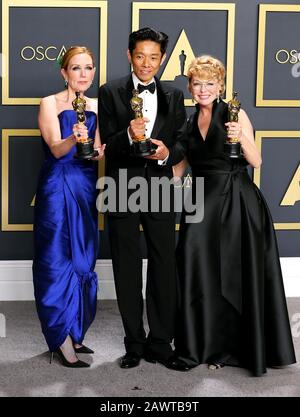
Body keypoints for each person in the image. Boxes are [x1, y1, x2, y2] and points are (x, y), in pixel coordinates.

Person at [173, 55, 296, 376]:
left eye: (210, 84)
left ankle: (233, 349)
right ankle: (201, 346)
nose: (203, 89)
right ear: (189, 86)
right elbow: (177, 171)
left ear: (221, 86)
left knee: (233, 275)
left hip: (236, 202)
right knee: (197, 269)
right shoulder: (187, 122)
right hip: (200, 203)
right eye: (197, 83)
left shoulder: (234, 113)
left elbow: (256, 160)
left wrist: (240, 134)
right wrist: (148, 152)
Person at [98, 27, 189, 371]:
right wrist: (127, 134)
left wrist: (167, 152)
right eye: (140, 56)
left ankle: (161, 342)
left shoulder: (175, 94)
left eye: (153, 57)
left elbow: (182, 141)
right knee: (126, 263)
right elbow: (107, 141)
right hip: (121, 185)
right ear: (129, 55)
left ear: (163, 58)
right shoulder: (109, 91)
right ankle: (133, 342)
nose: (146, 63)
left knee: (164, 262)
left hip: (161, 187)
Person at [33, 46, 105, 368]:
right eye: (76, 68)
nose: (83, 74)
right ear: (64, 72)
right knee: (56, 259)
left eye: (88, 68)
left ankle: (76, 331)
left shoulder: (97, 105)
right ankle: (60, 339)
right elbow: (55, 148)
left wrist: (98, 149)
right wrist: (74, 139)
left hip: (85, 186)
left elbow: (97, 151)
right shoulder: (49, 103)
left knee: (83, 257)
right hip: (57, 185)